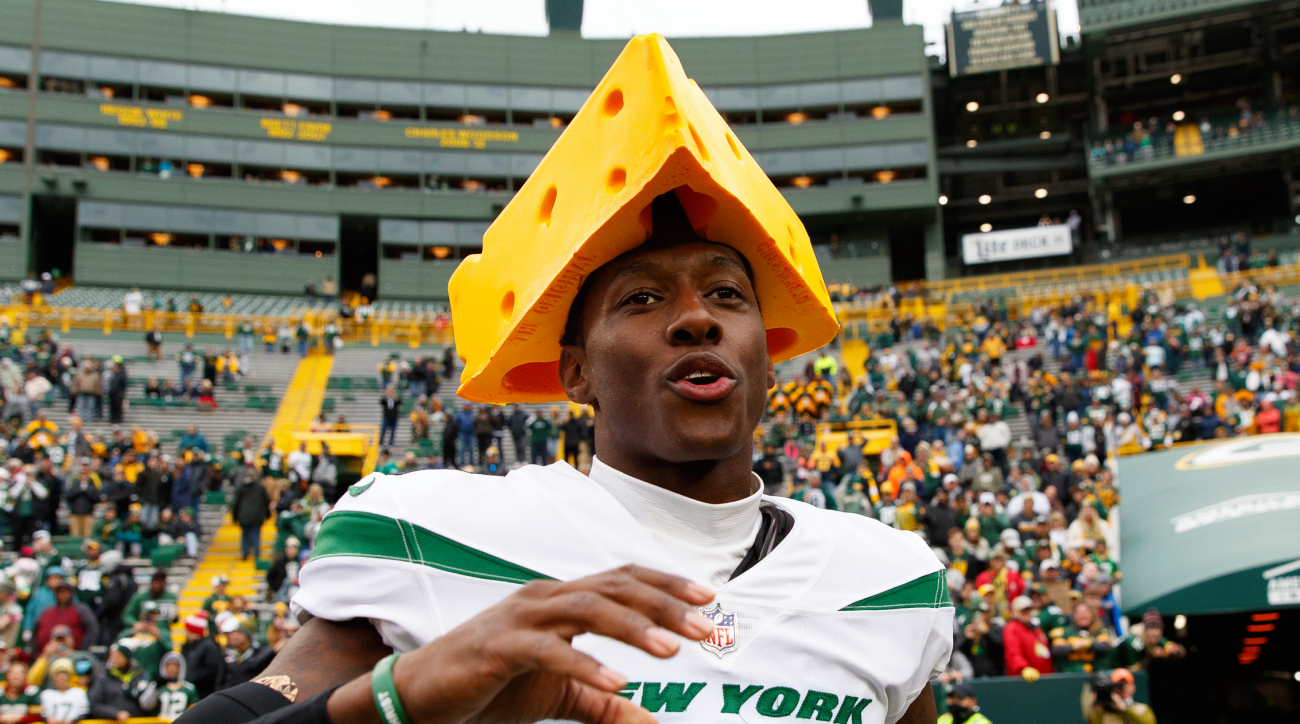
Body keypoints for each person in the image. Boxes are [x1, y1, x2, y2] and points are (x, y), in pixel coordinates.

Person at [187, 37, 950, 724]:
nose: (696, 320)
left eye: (727, 294)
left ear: (767, 357)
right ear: (575, 371)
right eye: (642, 299)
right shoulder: (433, 535)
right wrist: (402, 697)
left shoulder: (889, 579)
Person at [88, 644, 158, 720]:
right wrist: (115, 713)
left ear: (127, 657)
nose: (114, 659)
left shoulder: (142, 676)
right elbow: (94, 705)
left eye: (118, 656)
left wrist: (150, 702)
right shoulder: (104, 678)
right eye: (112, 656)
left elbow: (152, 702)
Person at [1002, 595, 1053, 681]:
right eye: (1023, 610)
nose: (1027, 612)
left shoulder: (1036, 629)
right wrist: (1023, 668)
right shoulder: (1012, 627)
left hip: (1043, 678)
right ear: (1014, 612)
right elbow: (1013, 651)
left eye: (1028, 610)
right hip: (1024, 681)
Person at [1083, 668, 1156, 724]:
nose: (1123, 688)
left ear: (1133, 687)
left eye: (1126, 684)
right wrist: (1098, 707)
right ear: (1112, 688)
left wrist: (1125, 709)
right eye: (1119, 685)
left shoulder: (1142, 709)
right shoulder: (1105, 712)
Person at [180, 613, 223, 699]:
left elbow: (211, 669)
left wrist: (192, 679)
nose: (186, 633)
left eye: (188, 631)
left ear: (195, 632)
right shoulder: (188, 647)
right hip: (191, 690)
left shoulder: (208, 646)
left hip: (203, 691)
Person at [231, 474, 272, 561]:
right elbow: (266, 500)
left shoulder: (241, 488)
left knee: (245, 535)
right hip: (257, 516)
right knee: (255, 535)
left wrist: (234, 517)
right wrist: (268, 515)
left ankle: (245, 555)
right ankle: (256, 555)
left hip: (244, 516)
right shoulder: (260, 488)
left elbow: (236, 504)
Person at [38, 658, 89, 724]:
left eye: (64, 675)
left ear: (69, 677)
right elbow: (42, 713)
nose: (61, 678)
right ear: (53, 677)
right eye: (58, 675)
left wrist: (72, 721)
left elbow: (83, 712)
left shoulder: (79, 693)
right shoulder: (45, 694)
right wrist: (47, 719)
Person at [156, 651, 198, 721]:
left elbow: (194, 712)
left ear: (180, 668)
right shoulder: (159, 688)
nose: (172, 669)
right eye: (169, 666)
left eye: (175, 665)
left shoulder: (189, 688)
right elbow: (147, 706)